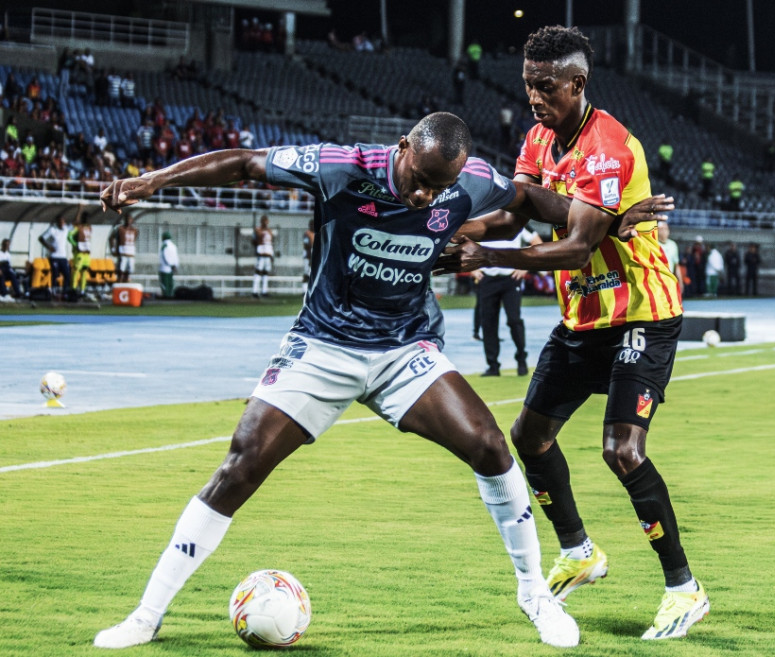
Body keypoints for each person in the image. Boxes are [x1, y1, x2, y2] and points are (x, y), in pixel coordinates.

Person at [92, 111, 609, 651]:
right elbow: (244, 162)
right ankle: (146, 616)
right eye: (420, 180)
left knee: (490, 446)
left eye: (439, 189)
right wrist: (153, 180)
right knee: (242, 464)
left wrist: (610, 219)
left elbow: (529, 200)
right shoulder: (341, 167)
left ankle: (535, 595)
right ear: (403, 147)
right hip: (323, 345)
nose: (425, 197)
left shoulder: (470, 179)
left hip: (404, 349)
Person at [438, 26, 708, 641]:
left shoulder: (608, 147)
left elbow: (578, 246)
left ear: (577, 83)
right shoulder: (538, 138)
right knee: (528, 437)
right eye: (528, 85)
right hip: (583, 317)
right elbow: (516, 211)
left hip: (641, 311)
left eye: (546, 86)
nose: (534, 97)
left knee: (622, 450)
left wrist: (487, 257)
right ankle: (579, 551)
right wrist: (457, 231)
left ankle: (684, 589)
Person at [476, 227, 542, 377]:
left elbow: (537, 242)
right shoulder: (482, 220)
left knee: (514, 320)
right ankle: (492, 365)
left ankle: (521, 358)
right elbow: (465, 241)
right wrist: (473, 269)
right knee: (488, 322)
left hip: (511, 278)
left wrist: (526, 266)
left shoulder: (517, 220)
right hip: (488, 278)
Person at [39, 213, 73, 300]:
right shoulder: (52, 230)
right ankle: (54, 291)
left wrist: (80, 209)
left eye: (63, 222)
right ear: (57, 222)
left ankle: (64, 292)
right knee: (55, 274)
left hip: (63, 257)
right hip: (54, 257)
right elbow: (41, 238)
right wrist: (48, 247)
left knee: (67, 275)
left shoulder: (65, 229)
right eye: (60, 222)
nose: (61, 223)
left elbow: (76, 222)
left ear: (64, 222)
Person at [68, 209, 95, 300]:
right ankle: (73, 290)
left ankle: (82, 290)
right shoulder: (78, 227)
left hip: (86, 254)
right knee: (76, 271)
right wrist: (76, 245)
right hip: (79, 253)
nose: (87, 219)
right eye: (85, 218)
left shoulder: (89, 228)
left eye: (88, 218)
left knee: (84, 272)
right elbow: (69, 236)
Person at [110, 214, 138, 283]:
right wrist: (113, 249)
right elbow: (111, 238)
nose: (128, 221)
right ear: (124, 220)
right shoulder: (120, 229)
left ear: (132, 220)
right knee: (121, 270)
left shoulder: (134, 230)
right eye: (127, 219)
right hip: (123, 253)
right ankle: (119, 283)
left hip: (131, 253)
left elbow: (135, 239)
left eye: (130, 219)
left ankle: (126, 283)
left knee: (130, 271)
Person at [657, 223, 682, 296]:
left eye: (666, 229)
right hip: (657, 279)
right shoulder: (654, 244)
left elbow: (676, 265)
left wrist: (680, 281)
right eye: (661, 229)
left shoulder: (673, 245)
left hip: (669, 279)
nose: (664, 231)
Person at [252, 215, 275, 298]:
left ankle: (264, 291)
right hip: (261, 253)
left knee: (266, 272)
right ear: (261, 222)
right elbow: (254, 240)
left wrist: (272, 255)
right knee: (258, 271)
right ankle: (255, 291)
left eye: (266, 221)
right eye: (264, 221)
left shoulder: (269, 231)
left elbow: (271, 242)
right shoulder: (258, 230)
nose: (265, 223)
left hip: (268, 253)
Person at [0, 237, 23, 302]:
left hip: (7, 269)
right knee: (2, 277)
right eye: (5, 245)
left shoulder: (8, 255)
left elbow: (9, 266)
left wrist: (13, 272)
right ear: (2, 245)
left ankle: (18, 293)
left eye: (8, 245)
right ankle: (4, 293)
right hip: (1, 269)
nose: (7, 246)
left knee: (13, 276)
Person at [158, 231, 179, 298]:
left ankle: (166, 296)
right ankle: (170, 295)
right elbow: (176, 257)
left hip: (164, 268)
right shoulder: (174, 246)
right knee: (170, 283)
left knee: (164, 283)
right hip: (171, 268)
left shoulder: (164, 246)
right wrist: (175, 266)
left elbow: (165, 256)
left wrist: (170, 264)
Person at [301, 219, 315, 283]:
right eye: (311, 225)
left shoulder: (316, 233)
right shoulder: (307, 234)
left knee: (311, 272)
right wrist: (310, 256)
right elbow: (306, 245)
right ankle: (304, 287)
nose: (313, 226)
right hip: (308, 253)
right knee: (306, 271)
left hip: (313, 253)